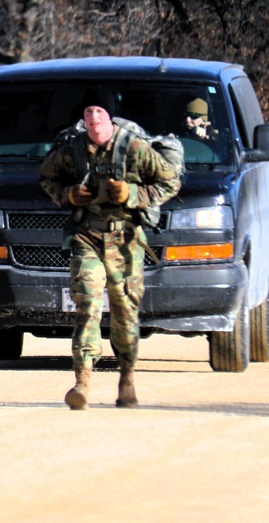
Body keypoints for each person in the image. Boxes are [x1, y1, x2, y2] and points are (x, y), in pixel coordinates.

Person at [38, 90, 181, 410]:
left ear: (110, 116)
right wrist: (69, 195)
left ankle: (126, 379)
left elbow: (170, 182)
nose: (93, 118)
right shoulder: (73, 150)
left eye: (99, 111)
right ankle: (81, 382)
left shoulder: (133, 148)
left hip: (125, 240)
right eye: (88, 112)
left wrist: (133, 193)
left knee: (124, 309)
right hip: (86, 238)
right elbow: (46, 177)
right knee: (87, 304)